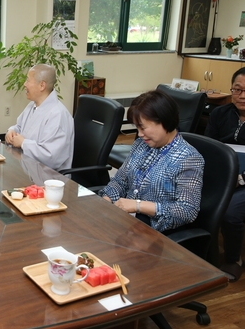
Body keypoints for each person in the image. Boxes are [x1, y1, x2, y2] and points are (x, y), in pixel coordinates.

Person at [99, 90, 204, 233]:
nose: (140, 134)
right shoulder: (140, 145)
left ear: (164, 121)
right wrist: (106, 201)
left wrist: (138, 205)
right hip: (127, 222)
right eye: (137, 127)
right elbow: (120, 180)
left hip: (154, 233)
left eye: (143, 127)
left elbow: (187, 210)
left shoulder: (188, 158)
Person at [204, 66, 245, 281]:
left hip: (243, 180)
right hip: (223, 174)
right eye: (237, 90)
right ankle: (200, 250)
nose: (242, 96)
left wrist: (239, 179)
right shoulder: (220, 113)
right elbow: (209, 147)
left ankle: (233, 258)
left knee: (229, 212)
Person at [5, 64, 74, 170]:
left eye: (28, 81)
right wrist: (12, 131)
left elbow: (51, 157)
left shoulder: (58, 115)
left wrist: (23, 143)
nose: (24, 84)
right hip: (29, 167)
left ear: (42, 85)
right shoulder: (33, 105)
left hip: (51, 178)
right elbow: (19, 127)